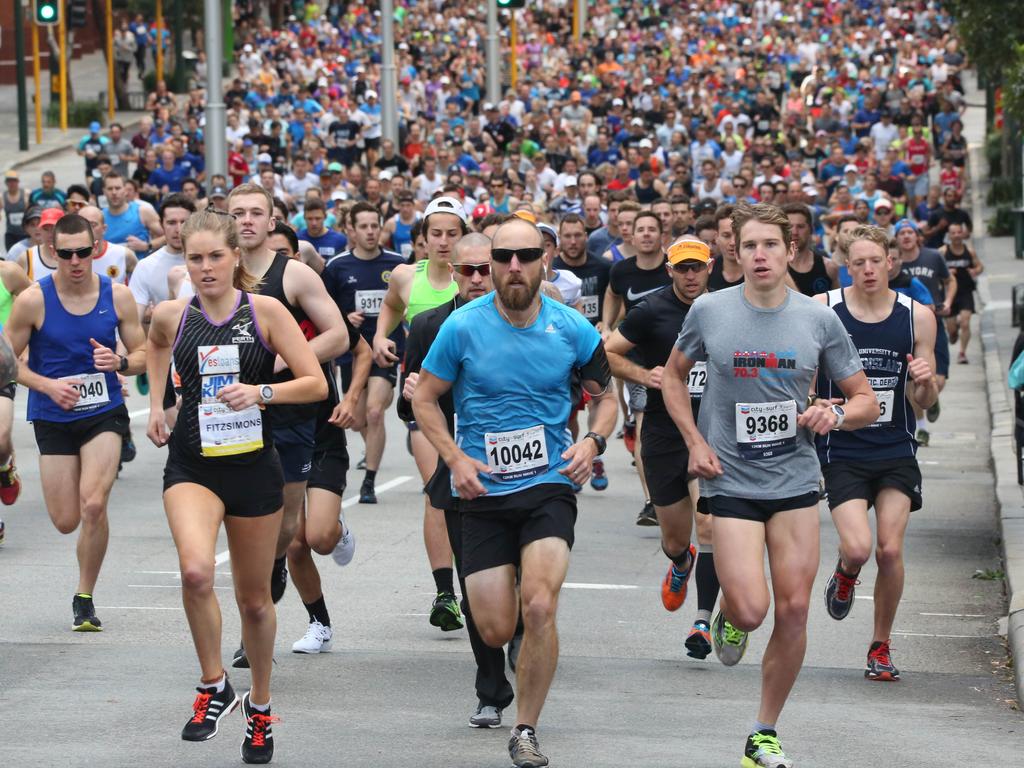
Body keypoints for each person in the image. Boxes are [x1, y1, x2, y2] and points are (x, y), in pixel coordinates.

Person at [662, 203, 878, 768]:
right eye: (749, 245)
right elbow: (674, 379)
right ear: (735, 250)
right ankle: (731, 616)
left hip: (796, 480)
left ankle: (763, 732)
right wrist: (694, 441)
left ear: (790, 251)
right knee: (753, 610)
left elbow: (866, 400)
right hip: (729, 478)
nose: (760, 255)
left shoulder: (817, 319)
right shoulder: (709, 311)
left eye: (771, 246)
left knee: (794, 610)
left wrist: (835, 414)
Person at [413, 216, 617, 768]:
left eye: (525, 256)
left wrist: (594, 441)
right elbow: (425, 399)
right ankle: (516, 629)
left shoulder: (572, 328)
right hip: (482, 493)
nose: (512, 267)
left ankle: (525, 729)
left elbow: (606, 396)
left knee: (542, 603)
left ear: (543, 261)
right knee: (497, 626)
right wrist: (454, 458)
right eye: (503, 257)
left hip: (549, 483)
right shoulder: (462, 327)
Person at [145, 209, 327, 763]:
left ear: (234, 258)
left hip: (252, 467)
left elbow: (315, 383)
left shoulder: (266, 311)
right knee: (197, 570)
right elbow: (153, 346)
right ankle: (212, 684)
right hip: (192, 466)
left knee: (254, 602)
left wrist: (261, 393)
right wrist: (158, 403)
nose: (204, 268)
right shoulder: (174, 315)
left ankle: (261, 706)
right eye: (194, 258)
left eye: (214, 257)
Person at [224, 183, 349, 666]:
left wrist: (287, 360)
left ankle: (277, 563)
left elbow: (338, 334)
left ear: (272, 221)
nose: (248, 221)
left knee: (287, 533)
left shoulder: (293, 274)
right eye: (239, 213)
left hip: (294, 417)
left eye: (257, 213)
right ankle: (249, 633)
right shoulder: (217, 273)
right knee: (244, 526)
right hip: (234, 418)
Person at [4, 213, 147, 631]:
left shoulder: (117, 296)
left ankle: (84, 597)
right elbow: (6, 364)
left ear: (95, 249)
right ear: (53, 253)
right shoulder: (34, 299)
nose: (76, 261)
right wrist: (47, 386)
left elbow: (142, 357)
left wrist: (120, 361)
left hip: (103, 412)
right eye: (66, 254)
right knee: (66, 520)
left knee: (94, 503)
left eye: (83, 252)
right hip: (53, 415)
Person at [399, 231, 517, 727]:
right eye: (465, 270)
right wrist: (412, 391)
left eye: (483, 270)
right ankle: (490, 687)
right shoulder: (428, 324)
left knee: (526, 584)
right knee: (476, 585)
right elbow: (415, 401)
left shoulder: (524, 317)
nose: (473, 278)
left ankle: (526, 653)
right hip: (461, 472)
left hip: (526, 470)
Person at [814, 225, 938, 684]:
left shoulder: (917, 317)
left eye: (876, 261)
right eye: (858, 262)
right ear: (847, 266)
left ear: (892, 262)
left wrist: (924, 381)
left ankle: (880, 645)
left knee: (888, 548)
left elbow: (923, 403)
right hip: (842, 447)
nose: (868, 269)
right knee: (859, 547)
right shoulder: (824, 309)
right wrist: (815, 402)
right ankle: (846, 572)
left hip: (894, 447)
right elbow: (804, 374)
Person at [605, 236, 720, 658]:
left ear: (710, 268)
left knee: (709, 526)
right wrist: (643, 375)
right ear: (670, 271)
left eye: (697, 268)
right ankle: (681, 562)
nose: (691, 276)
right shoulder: (651, 310)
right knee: (676, 537)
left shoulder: (726, 307)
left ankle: (703, 622)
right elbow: (608, 353)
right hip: (664, 434)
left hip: (712, 433)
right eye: (682, 269)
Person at [264, 223, 365, 656]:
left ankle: (340, 531)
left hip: (321, 431)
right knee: (291, 540)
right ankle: (318, 622)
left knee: (320, 537)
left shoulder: (315, 312)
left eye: (287, 255)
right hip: (270, 433)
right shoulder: (251, 312)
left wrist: (353, 398)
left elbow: (359, 348)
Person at [371, 195, 464, 629]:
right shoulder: (408, 276)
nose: (444, 242)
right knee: (438, 493)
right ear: (423, 239)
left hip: (478, 401)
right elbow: (391, 305)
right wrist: (379, 337)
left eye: (452, 234)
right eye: (436, 234)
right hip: (424, 400)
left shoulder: (477, 281)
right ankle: (445, 593)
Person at [322, 201, 405, 505]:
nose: (371, 232)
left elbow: (407, 304)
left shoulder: (397, 263)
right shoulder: (337, 267)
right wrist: (346, 318)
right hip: (352, 354)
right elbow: (324, 312)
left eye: (375, 226)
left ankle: (369, 481)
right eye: (364, 227)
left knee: (374, 412)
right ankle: (370, 450)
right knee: (356, 420)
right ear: (352, 230)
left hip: (385, 349)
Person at [603, 210, 672, 524]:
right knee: (646, 424)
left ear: (661, 236)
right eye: (640, 229)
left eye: (651, 229)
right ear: (630, 235)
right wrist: (606, 323)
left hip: (675, 357)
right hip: (636, 359)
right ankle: (651, 501)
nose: (645, 234)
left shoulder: (674, 268)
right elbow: (613, 293)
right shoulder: (621, 270)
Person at [894, 218, 955, 446]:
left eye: (910, 232)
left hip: (934, 323)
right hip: (907, 331)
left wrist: (948, 301)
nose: (906, 236)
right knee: (913, 382)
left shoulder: (933, 257)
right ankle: (921, 428)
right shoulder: (891, 265)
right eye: (902, 233)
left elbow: (950, 281)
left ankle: (933, 396)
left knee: (936, 380)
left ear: (916, 235)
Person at [0, 256, 32, 516]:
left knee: (0, 437)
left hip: (2, 367)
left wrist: (28, 347)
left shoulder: (8, 273)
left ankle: (5, 464)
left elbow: (36, 308)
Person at [940, 221, 982, 364]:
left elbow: (980, 266)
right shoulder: (943, 252)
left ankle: (962, 353)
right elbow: (936, 271)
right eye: (953, 233)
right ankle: (952, 330)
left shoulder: (969, 251)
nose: (957, 235)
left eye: (959, 232)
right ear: (949, 235)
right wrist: (946, 272)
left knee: (965, 323)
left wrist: (975, 270)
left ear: (963, 233)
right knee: (952, 332)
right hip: (949, 295)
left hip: (966, 291)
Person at [101, 172, 164, 260]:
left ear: (125, 190)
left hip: (138, 271)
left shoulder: (142, 211)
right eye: (110, 189)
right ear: (104, 191)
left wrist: (147, 246)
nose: (114, 192)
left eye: (118, 188)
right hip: (109, 271)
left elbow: (168, 236)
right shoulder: (100, 217)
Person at [3, 171, 30, 253]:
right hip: (11, 235)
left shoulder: (26, 194)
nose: (12, 183)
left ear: (17, 182)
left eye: (14, 181)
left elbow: (31, 212)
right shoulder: (2, 197)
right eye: (9, 181)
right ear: (6, 183)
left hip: (24, 234)